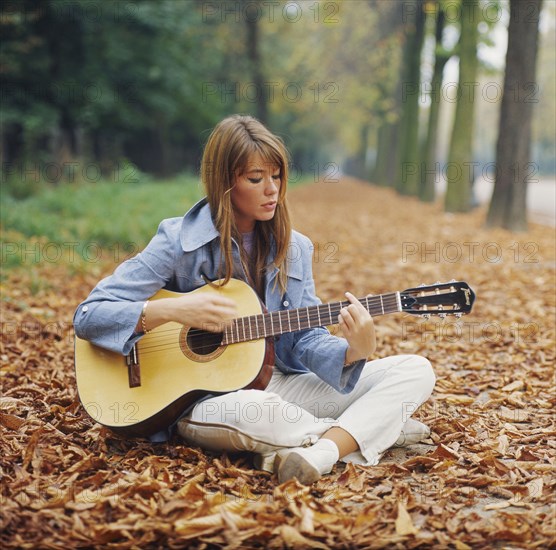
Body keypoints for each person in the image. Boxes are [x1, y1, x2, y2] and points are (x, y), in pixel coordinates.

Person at [73, 114, 435, 484]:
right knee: (262, 414)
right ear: (225, 182)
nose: (271, 190)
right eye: (255, 178)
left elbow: (304, 339)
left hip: (278, 381)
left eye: (276, 176)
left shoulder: (294, 248)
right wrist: (171, 310)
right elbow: (89, 315)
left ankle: (323, 452)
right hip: (206, 401)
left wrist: (353, 351)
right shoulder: (177, 242)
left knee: (415, 370)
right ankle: (377, 428)